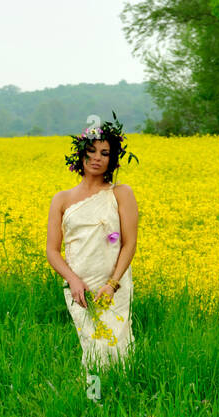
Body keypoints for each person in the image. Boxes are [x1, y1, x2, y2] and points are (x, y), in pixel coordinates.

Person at [46, 113, 139, 368]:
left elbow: (129, 243)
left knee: (117, 345)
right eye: (92, 151)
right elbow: (52, 251)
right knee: (92, 346)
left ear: (113, 159)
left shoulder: (121, 193)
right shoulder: (61, 199)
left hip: (112, 285)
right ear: (81, 155)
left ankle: (122, 395)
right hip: (80, 287)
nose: (97, 157)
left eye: (105, 152)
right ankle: (93, 401)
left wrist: (112, 284)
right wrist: (73, 280)